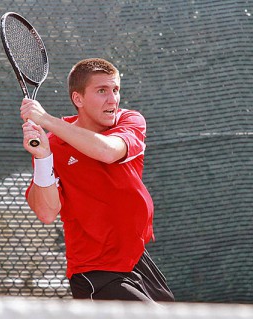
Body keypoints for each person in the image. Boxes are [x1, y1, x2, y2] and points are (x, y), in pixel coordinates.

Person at [20, 58, 174, 302]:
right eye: (102, 91)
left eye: (115, 90)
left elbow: (107, 151)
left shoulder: (130, 121)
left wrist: (46, 119)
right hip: (95, 273)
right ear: (78, 99)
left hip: (137, 261)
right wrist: (42, 157)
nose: (112, 99)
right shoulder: (54, 146)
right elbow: (47, 212)